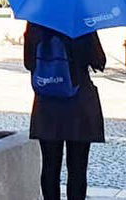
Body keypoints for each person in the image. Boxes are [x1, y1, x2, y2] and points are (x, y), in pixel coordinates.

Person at [23, 22, 106, 200]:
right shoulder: (82, 21)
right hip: (78, 105)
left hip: (47, 104)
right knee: (78, 169)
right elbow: (99, 61)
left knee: (49, 167)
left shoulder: (36, 23)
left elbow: (28, 63)